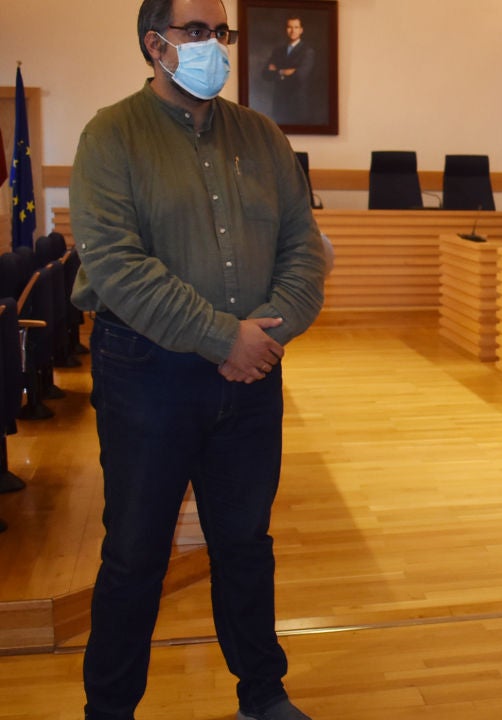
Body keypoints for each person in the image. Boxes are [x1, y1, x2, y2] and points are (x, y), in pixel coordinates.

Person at [69, 1, 326, 718]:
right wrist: (224, 338)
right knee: (136, 554)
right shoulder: (110, 136)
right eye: (198, 32)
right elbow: (117, 266)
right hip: (144, 373)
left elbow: (303, 249)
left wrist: (263, 336)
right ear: (156, 44)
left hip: (253, 374)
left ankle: (261, 695)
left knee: (245, 543)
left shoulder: (263, 136)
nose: (216, 44)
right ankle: (109, 709)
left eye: (222, 32)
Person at [260, 15, 315, 125]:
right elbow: (265, 74)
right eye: (290, 27)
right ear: (286, 29)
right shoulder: (278, 50)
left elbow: (299, 76)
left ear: (301, 30)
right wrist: (285, 72)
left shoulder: (307, 51)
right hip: (279, 104)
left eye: (296, 27)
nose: (292, 31)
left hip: (297, 104)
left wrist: (277, 71)